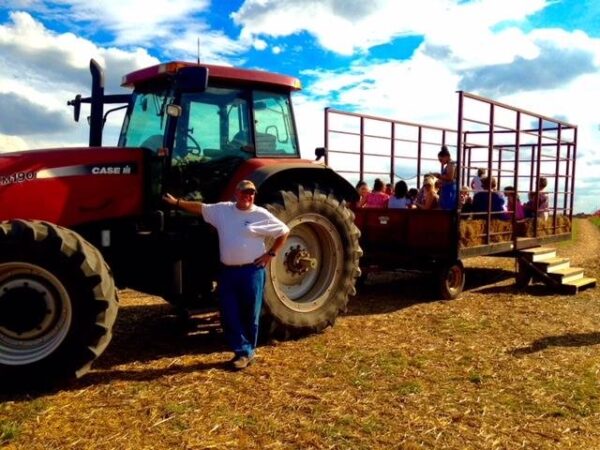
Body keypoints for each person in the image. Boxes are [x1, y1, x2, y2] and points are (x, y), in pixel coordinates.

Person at [163, 180, 289, 370]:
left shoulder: (260, 214)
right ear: (236, 194)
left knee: (249, 313)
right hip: (228, 271)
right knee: (229, 312)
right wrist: (177, 203)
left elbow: (284, 231)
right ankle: (241, 348)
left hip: (251, 271)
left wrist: (270, 254)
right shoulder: (223, 211)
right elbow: (201, 208)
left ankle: (246, 352)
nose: (248, 196)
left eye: (252, 193)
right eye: (245, 192)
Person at [434, 145, 457, 210]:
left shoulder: (451, 164)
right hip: (447, 190)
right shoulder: (450, 164)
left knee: (447, 210)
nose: (440, 162)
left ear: (446, 157)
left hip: (449, 190)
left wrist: (438, 175)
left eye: (441, 160)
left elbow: (450, 177)